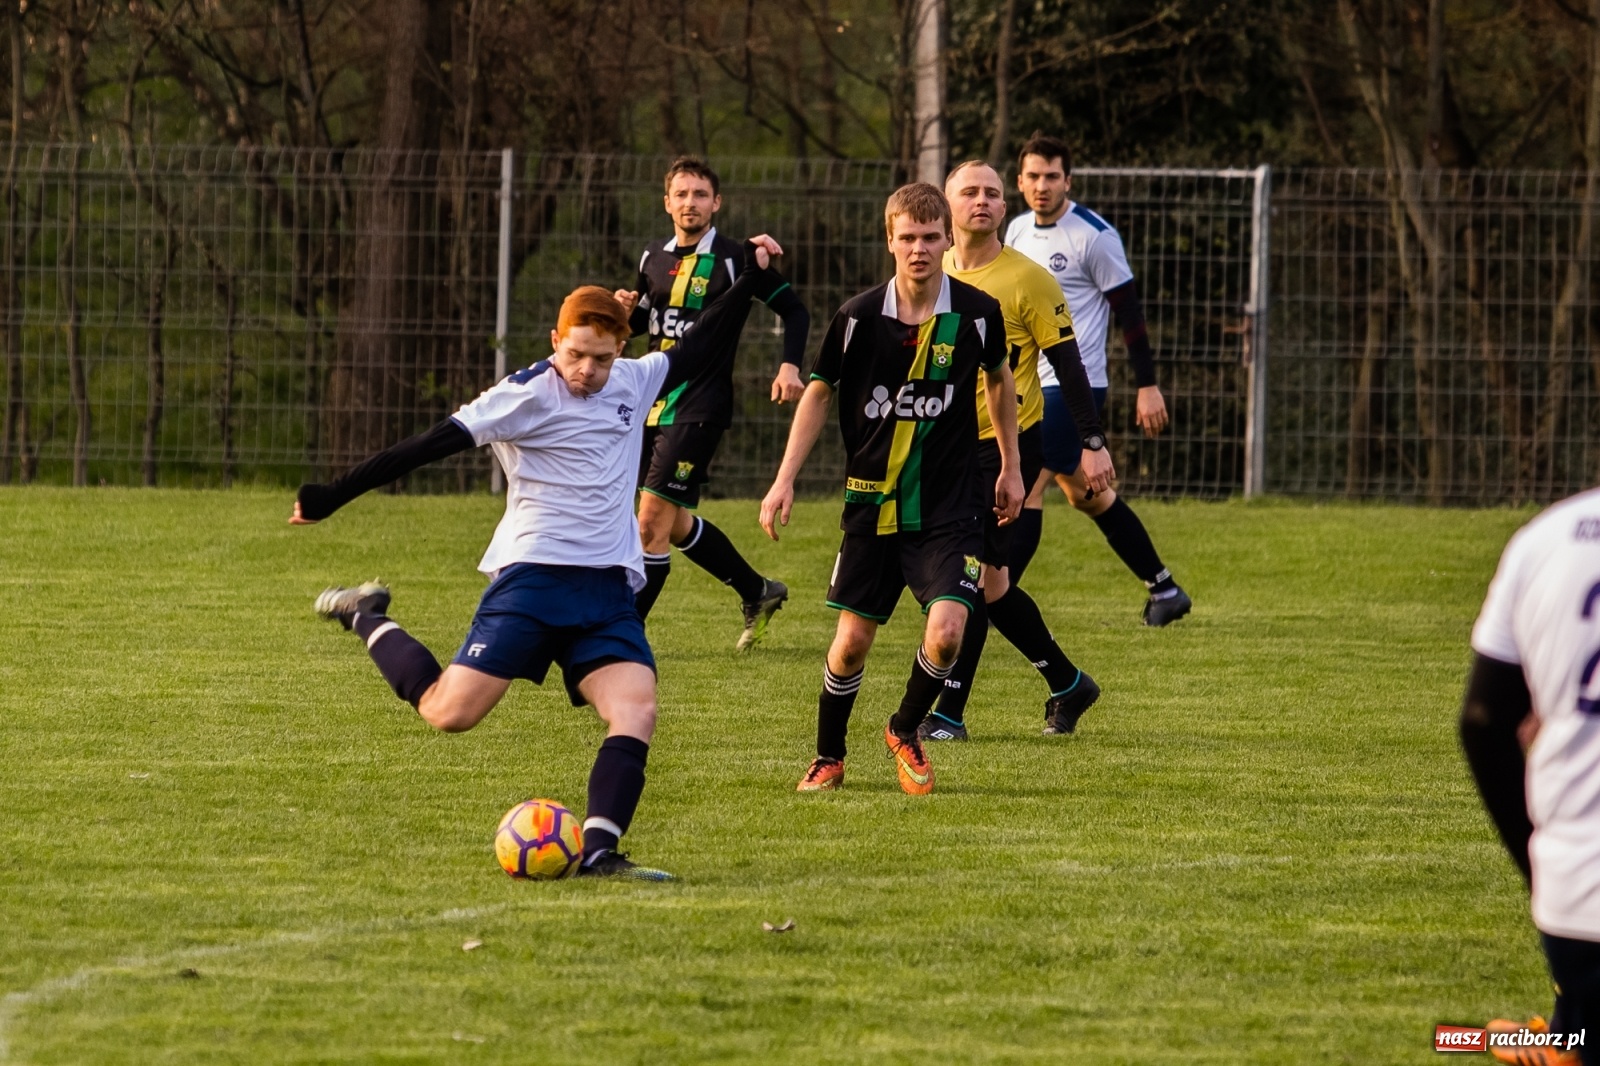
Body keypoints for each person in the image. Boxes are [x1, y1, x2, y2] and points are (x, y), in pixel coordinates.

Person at [291, 237, 785, 881]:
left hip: (606, 590)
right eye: (575, 354)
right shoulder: (521, 396)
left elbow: (704, 341)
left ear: (622, 348)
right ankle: (366, 615)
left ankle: (600, 851)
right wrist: (331, 495)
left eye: (601, 358)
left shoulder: (636, 380)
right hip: (532, 580)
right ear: (556, 339)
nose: (586, 370)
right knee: (448, 713)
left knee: (636, 709)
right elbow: (423, 447)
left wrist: (749, 279)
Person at [759, 182, 1023, 795]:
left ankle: (904, 728)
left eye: (931, 237)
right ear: (890, 241)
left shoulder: (977, 314)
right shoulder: (856, 318)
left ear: (948, 239)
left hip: (952, 505)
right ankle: (829, 757)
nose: (919, 249)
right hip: (871, 504)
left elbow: (999, 381)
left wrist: (1010, 466)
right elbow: (819, 392)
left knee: (949, 631)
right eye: (908, 238)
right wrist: (784, 479)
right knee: (851, 645)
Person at [920, 160, 1112, 743]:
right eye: (969, 191)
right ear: (946, 204)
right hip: (941, 447)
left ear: (1005, 208)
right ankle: (1068, 682)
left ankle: (947, 714)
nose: (981, 200)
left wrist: (1093, 442)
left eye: (992, 193)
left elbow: (1070, 366)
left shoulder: (1028, 279)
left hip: (1005, 449)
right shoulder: (929, 269)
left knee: (971, 577)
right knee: (994, 586)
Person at [1003, 132, 1192, 626]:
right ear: (1019, 181)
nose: (1042, 185)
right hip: (1027, 383)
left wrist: (1147, 386)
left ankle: (990, 601)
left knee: (1026, 486)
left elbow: (1130, 315)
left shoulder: (1093, 235)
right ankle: (1165, 588)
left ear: (1068, 180)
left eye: (1052, 176)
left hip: (1073, 386)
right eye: (1033, 176)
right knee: (1086, 495)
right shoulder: (1016, 231)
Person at [631, 156, 810, 650]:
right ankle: (758, 590)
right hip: (649, 402)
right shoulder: (652, 258)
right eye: (681, 194)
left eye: (700, 194)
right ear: (667, 202)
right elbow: (639, 323)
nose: (690, 202)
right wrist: (620, 310)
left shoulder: (737, 258)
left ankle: (617, 634)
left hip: (700, 405)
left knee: (649, 524)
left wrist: (789, 366)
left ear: (717, 202)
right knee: (670, 520)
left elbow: (795, 310)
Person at [1462, 485, 1600, 1065]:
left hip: (1576, 890)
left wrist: (1541, 867)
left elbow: (1483, 721)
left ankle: (1565, 1036)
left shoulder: (1546, 536)